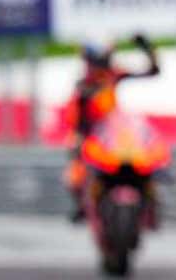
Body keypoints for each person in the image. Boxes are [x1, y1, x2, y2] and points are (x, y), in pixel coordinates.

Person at [63, 33, 161, 223]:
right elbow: (76, 121)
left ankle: (152, 204)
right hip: (90, 136)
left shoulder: (114, 75)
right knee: (75, 167)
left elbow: (152, 71)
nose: (99, 66)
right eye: (95, 61)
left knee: (147, 158)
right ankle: (82, 204)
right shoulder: (82, 86)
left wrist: (148, 49)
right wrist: (79, 138)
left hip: (114, 134)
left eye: (103, 61)